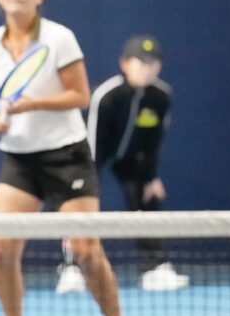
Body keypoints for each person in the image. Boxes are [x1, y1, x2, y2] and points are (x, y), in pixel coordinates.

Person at [0, 0, 143, 316]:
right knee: (1, 251)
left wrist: (35, 103)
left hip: (67, 157)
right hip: (19, 160)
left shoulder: (59, 38)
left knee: (85, 250)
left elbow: (80, 95)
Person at [56, 35, 188, 293]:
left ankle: (154, 269)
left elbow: (154, 142)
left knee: (148, 195)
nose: (147, 69)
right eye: (140, 62)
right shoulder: (107, 96)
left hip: (130, 158)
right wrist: (84, 185)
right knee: (77, 203)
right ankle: (72, 267)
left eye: (153, 63)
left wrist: (151, 177)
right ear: (124, 63)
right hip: (85, 155)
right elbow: (91, 147)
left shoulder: (161, 96)